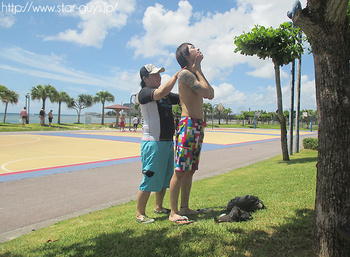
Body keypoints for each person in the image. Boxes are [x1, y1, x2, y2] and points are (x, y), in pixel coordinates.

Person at [169, 43, 214, 223]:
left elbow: (210, 93)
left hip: (197, 124)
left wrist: (199, 69)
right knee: (180, 170)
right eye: (193, 47)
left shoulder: (195, 73)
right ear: (186, 55)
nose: (197, 48)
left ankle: (185, 207)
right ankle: (173, 212)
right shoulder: (185, 74)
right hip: (187, 125)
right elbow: (205, 91)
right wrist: (198, 69)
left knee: (190, 170)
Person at [136, 64, 183, 223]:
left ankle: (159, 206)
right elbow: (162, 91)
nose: (159, 77)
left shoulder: (165, 95)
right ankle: (140, 214)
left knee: (165, 177)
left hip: (168, 142)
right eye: (155, 75)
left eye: (159, 74)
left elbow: (181, 97)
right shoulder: (144, 93)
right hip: (153, 142)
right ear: (145, 78)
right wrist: (177, 75)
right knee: (150, 177)